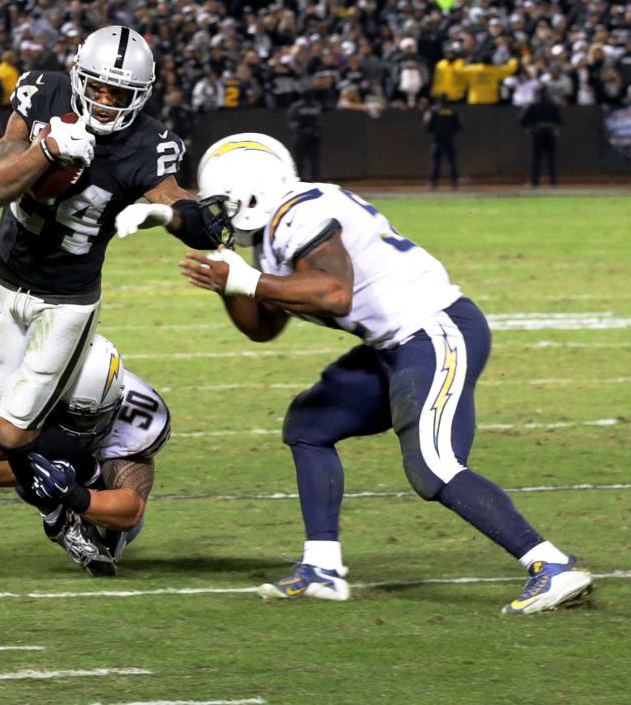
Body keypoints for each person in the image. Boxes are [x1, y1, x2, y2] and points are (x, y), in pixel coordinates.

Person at [178, 133, 593, 614]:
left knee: (434, 467)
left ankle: (550, 565)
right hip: (394, 345)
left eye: (221, 204)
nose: (217, 214)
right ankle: (322, 569)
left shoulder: (300, 214)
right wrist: (228, 279)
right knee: (310, 424)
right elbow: (263, 327)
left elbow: (335, 294)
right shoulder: (276, 228)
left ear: (250, 194)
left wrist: (247, 280)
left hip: (434, 330)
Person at [0, 25, 213, 509]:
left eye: (118, 92)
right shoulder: (43, 92)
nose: (104, 100)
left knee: (13, 436)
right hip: (3, 283)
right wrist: (46, 150)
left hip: (66, 299)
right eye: (97, 86)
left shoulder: (150, 145)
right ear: (78, 74)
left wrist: (172, 212)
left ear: (139, 95)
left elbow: (188, 213)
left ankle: (90, 482)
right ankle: (77, 492)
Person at [0, 334, 167, 576]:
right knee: (21, 443)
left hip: (100, 482)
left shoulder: (140, 418)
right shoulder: (25, 390)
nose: (83, 426)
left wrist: (74, 494)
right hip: (47, 450)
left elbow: (131, 511)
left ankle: (75, 517)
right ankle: (57, 522)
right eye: (75, 415)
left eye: (92, 417)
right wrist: (42, 472)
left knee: (115, 534)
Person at [520, 89, 562, 188]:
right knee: (551, 159)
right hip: (550, 133)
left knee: (536, 159)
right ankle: (553, 183)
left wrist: (528, 128)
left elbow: (522, 118)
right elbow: (559, 120)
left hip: (537, 133)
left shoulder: (533, 105)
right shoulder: (552, 105)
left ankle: (535, 182)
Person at [424, 93, 461, 190]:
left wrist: (434, 132)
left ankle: (433, 184)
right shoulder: (452, 111)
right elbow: (458, 126)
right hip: (450, 139)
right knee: (452, 161)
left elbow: (428, 126)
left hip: (437, 140)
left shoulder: (434, 111)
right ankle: (454, 183)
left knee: (436, 162)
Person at [287, 87, 324, 180]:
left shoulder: (296, 106)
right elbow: (319, 122)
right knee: (313, 161)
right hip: (312, 136)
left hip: (301, 136)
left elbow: (292, 122)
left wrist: (300, 131)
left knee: (301, 161)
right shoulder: (316, 105)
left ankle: (301, 181)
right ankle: (316, 180)